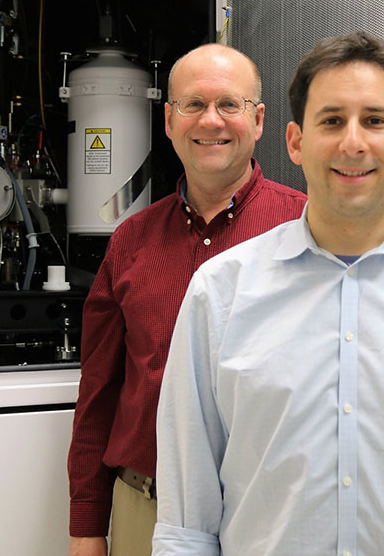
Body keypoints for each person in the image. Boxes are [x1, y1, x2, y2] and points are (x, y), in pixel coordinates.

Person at [152, 31, 384, 556]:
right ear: (295, 141)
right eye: (331, 121)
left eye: (375, 120)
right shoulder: (220, 293)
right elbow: (187, 520)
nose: (353, 143)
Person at [67, 42, 307, 556]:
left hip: (270, 515)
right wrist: (87, 526)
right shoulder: (130, 240)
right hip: (146, 511)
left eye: (229, 105)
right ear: (170, 119)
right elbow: (98, 393)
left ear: (259, 119)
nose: (211, 120)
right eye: (193, 105)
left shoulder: (305, 230)